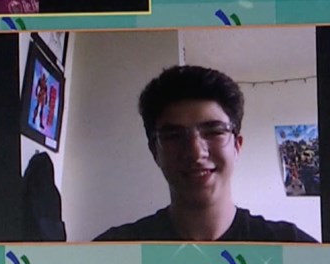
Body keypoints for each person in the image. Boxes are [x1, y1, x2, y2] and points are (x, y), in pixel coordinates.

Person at [94, 65, 317, 243]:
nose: (195, 151)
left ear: (237, 146)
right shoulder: (114, 251)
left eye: (214, 131)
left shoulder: (292, 248)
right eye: (174, 135)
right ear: (155, 151)